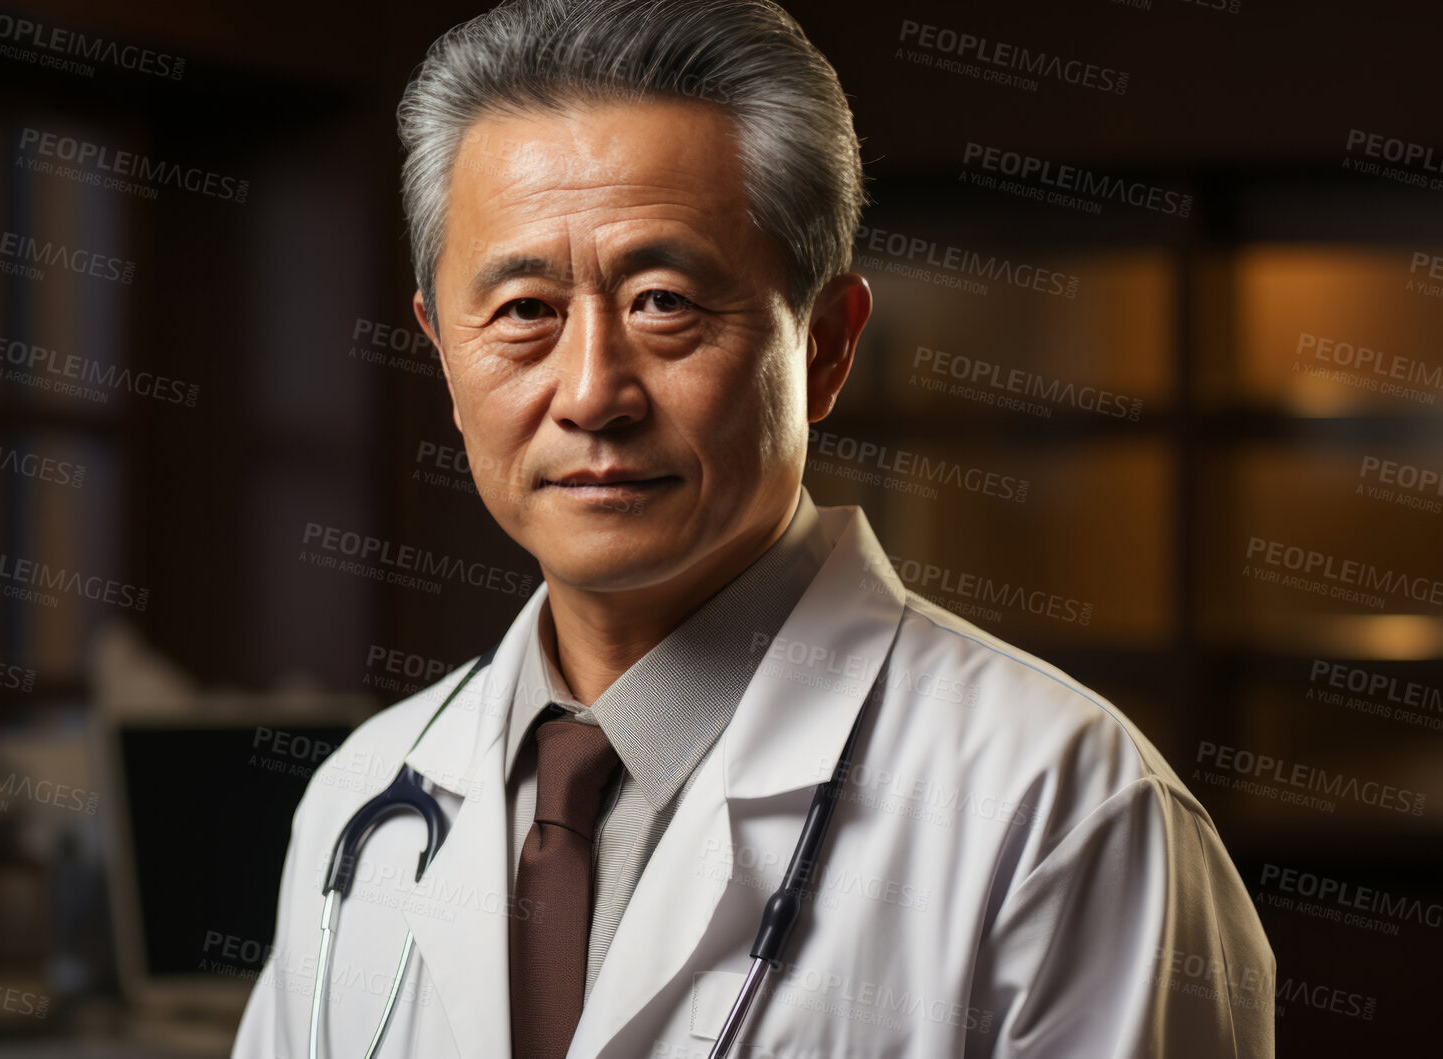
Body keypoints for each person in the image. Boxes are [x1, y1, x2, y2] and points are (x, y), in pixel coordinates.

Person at [233, 1, 1275, 1056]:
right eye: (522, 312)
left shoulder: (1061, 812)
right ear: (439, 354)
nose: (592, 393)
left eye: (663, 301)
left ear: (823, 346)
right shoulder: (363, 801)